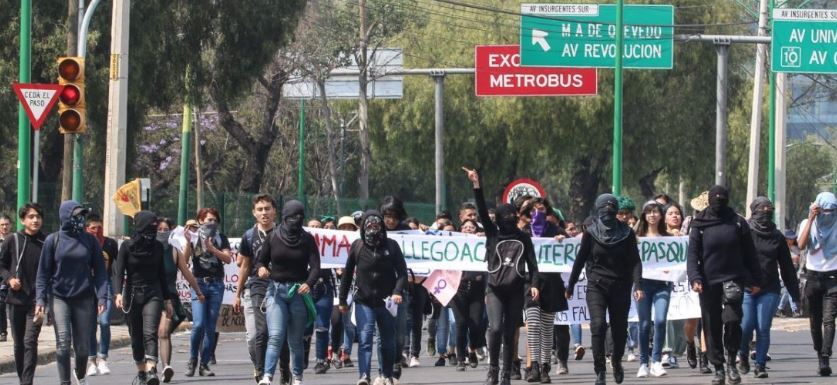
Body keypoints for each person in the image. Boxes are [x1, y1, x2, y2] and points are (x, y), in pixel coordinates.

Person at [462, 167, 540, 385]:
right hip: (494, 288)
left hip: (516, 290)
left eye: (510, 215)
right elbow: (481, 209)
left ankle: (506, 374)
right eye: (504, 216)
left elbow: (533, 264)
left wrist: (534, 284)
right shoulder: (492, 233)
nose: (508, 219)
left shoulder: (523, 238)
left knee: (509, 332)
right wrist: (476, 184)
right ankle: (493, 371)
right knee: (495, 329)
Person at [688, 185, 763, 385]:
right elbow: (692, 255)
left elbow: (750, 254)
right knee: (712, 326)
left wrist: (755, 280)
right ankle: (718, 368)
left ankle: (731, 362)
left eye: (723, 199)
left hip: (733, 278)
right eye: (716, 199)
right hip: (707, 282)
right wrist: (695, 278)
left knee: (732, 321)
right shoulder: (699, 224)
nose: (719, 202)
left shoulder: (738, 222)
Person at [567, 194, 643, 385]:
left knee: (619, 330)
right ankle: (599, 370)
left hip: (621, 287)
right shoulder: (591, 233)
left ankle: (616, 361)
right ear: (598, 210)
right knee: (598, 325)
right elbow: (580, 260)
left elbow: (635, 261)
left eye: (611, 208)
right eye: (604, 208)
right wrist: (571, 285)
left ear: (616, 210)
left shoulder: (627, 233)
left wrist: (638, 285)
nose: (608, 211)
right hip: (596, 286)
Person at [35, 200, 109, 385]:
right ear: (65, 216)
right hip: (59, 297)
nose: (80, 219)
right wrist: (40, 301)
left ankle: (81, 374)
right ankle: (65, 383)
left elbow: (100, 272)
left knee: (83, 348)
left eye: (82, 215)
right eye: (76, 216)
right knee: (63, 344)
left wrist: (102, 296)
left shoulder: (90, 241)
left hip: (84, 298)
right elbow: (43, 273)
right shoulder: (53, 240)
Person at [338, 210, 408, 385]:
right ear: (363, 228)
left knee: (387, 341)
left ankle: (386, 374)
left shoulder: (391, 246)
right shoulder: (357, 246)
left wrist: (397, 292)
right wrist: (342, 301)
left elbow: (402, 273)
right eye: (369, 226)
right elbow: (347, 275)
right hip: (364, 301)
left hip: (386, 302)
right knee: (365, 339)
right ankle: (364, 376)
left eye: (377, 225)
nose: (373, 229)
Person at [256, 200, 321, 385]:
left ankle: (297, 378)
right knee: (275, 335)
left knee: (295, 341)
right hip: (276, 292)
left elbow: (316, 266)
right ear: (284, 217)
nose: (296, 220)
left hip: (299, 293)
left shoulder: (307, 239)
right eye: (292, 216)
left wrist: (309, 283)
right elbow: (260, 261)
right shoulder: (273, 237)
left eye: (300, 216)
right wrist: (261, 269)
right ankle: (267, 377)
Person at [736, 197, 800, 378]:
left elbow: (787, 267)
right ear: (754, 210)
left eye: (769, 209)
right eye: (762, 208)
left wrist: (795, 295)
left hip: (769, 288)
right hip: (748, 287)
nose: (766, 212)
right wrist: (749, 283)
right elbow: (737, 261)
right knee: (747, 325)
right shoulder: (744, 232)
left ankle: (760, 365)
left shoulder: (777, 236)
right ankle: (743, 354)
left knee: (763, 327)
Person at [113, 211, 173, 385]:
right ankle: (141, 372)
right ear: (140, 226)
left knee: (150, 332)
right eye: (150, 226)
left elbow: (162, 274)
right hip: (132, 295)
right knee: (136, 335)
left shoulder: (158, 247)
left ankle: (152, 370)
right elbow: (118, 272)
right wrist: (117, 293)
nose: (153, 230)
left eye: (155, 227)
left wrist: (167, 299)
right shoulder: (126, 246)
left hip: (153, 293)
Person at [519, 198, 569, 383]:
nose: (537, 214)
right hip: (529, 283)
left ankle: (546, 366)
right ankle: (534, 366)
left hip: (551, 284)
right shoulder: (524, 232)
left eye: (541, 210)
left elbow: (573, 249)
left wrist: (562, 241)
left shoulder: (555, 229)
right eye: (533, 211)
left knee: (548, 329)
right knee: (532, 324)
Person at [233, 194, 277, 383]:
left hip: (278, 289)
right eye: (260, 209)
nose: (264, 212)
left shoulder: (283, 233)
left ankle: (267, 371)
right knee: (253, 336)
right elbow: (244, 266)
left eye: (267, 208)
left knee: (270, 333)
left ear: (274, 211)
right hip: (253, 289)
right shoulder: (249, 236)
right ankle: (258, 364)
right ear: (254, 213)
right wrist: (237, 293)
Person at [184, 208, 232, 377]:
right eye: (207, 220)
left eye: (214, 220)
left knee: (211, 326)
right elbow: (183, 260)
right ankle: (192, 359)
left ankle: (204, 363)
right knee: (198, 324)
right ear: (200, 221)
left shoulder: (221, 237)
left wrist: (213, 249)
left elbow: (227, 258)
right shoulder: (194, 236)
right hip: (199, 284)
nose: (210, 223)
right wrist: (188, 242)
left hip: (216, 285)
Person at [0, 203, 45, 385]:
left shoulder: (47, 242)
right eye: (31, 217)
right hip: (16, 300)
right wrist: (10, 279)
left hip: (37, 301)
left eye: (38, 217)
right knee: (18, 344)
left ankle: (27, 382)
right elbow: (1, 265)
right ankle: (23, 380)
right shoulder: (13, 240)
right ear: (22, 220)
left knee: (30, 342)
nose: (35, 220)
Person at [155, 217, 203, 383]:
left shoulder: (174, 250)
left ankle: (166, 367)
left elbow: (187, 271)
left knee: (163, 332)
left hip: (168, 298)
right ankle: (150, 366)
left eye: (165, 229)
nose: (162, 232)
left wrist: (198, 291)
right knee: (151, 334)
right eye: (159, 229)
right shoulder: (147, 249)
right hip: (150, 297)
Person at [797, 191, 837, 376]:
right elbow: (802, 244)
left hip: (833, 278)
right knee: (815, 321)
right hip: (813, 278)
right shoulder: (808, 223)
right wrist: (811, 219)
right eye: (824, 210)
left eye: (832, 210)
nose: (827, 214)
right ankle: (819, 354)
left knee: (829, 320)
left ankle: (825, 357)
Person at [633, 201, 672, 378]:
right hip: (643, 285)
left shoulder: (669, 236)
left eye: (655, 211)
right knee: (644, 324)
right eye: (648, 212)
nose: (652, 215)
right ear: (644, 215)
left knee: (661, 320)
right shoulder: (636, 237)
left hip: (662, 284)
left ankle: (656, 361)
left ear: (661, 215)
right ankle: (643, 363)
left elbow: (678, 256)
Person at [84, 213, 119, 377]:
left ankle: (103, 358)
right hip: (86, 287)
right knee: (91, 325)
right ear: (86, 229)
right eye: (93, 228)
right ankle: (91, 360)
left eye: (99, 227)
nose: (96, 231)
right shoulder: (82, 242)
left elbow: (117, 267)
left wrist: (119, 291)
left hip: (105, 286)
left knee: (104, 322)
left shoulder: (110, 243)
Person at [0, 213, 12, 342]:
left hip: (11, 276)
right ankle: (3, 331)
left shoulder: (15, 240)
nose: (4, 227)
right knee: (1, 305)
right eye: (2, 225)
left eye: (6, 224)